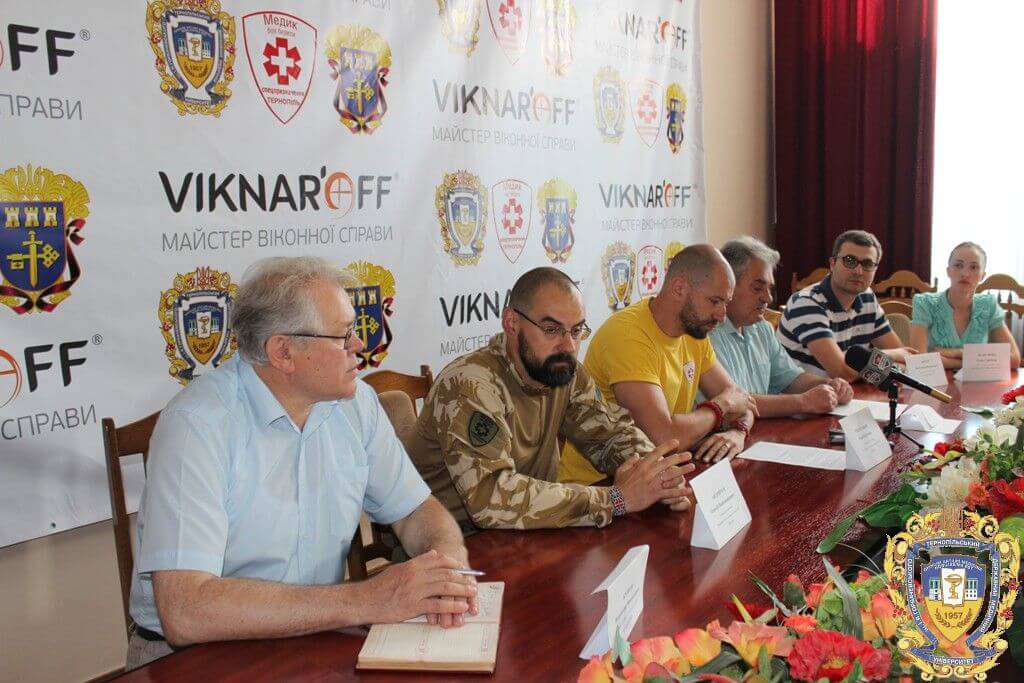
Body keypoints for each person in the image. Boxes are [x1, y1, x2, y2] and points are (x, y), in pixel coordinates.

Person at [126, 257, 477, 669]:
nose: (359, 346)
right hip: (192, 658)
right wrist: (368, 598)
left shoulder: (356, 404)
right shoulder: (197, 426)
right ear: (284, 352)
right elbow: (187, 611)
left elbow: (416, 510)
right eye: (343, 336)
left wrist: (447, 567)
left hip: (311, 635)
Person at [406, 267, 694, 530]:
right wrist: (615, 500)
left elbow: (610, 435)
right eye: (552, 330)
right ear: (511, 322)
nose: (568, 345)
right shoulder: (470, 386)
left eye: (576, 330)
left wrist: (656, 473)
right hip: (450, 544)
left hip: (531, 532)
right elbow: (490, 498)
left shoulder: (561, 370)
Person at [559, 244, 757, 487]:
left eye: (725, 302)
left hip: (657, 476)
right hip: (599, 487)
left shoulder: (695, 331)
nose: (721, 315)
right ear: (679, 288)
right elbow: (664, 438)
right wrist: (721, 406)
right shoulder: (628, 336)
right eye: (714, 301)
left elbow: (743, 403)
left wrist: (738, 432)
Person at [709, 237, 854, 416]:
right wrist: (803, 402)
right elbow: (733, 403)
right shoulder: (708, 334)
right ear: (727, 286)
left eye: (770, 289)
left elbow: (791, 379)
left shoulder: (761, 329)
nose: (768, 298)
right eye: (757, 288)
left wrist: (830, 385)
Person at [776, 230, 918, 381]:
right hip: (801, 394)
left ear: (875, 270)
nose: (858, 271)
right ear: (832, 264)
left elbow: (904, 361)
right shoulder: (806, 302)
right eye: (849, 261)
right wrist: (891, 355)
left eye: (867, 264)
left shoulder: (867, 298)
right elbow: (843, 373)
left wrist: (890, 361)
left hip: (849, 392)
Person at [910, 242, 1021, 369]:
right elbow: (919, 361)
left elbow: (1014, 359)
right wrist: (978, 362)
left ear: (983, 276)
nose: (965, 273)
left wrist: (958, 353)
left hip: (978, 381)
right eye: (958, 265)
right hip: (935, 380)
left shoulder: (988, 305)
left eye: (973, 267)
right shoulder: (924, 303)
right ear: (948, 271)